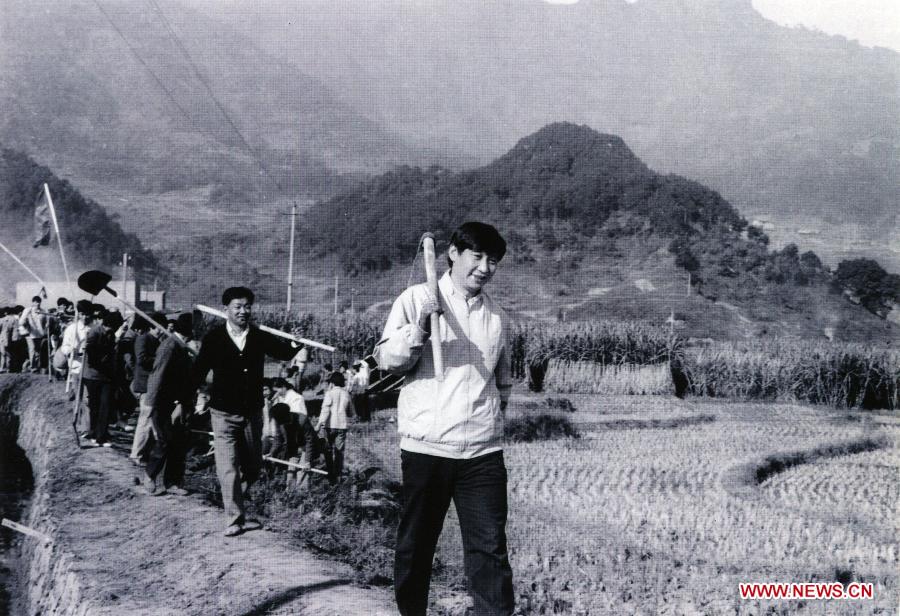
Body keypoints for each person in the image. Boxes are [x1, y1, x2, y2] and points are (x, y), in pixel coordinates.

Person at [374, 222, 514, 616]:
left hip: (483, 454)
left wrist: (489, 422)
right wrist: (420, 325)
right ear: (453, 253)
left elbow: (503, 385)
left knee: (490, 550)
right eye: (478, 257)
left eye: (493, 260)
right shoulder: (418, 297)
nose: (485, 268)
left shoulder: (497, 317)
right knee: (417, 544)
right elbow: (387, 360)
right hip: (427, 448)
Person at [192, 286, 299, 537]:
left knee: (253, 466)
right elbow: (197, 370)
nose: (243, 311)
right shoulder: (214, 338)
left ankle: (235, 496)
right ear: (226, 310)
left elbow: (284, 352)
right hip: (222, 413)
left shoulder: (259, 337)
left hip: (251, 412)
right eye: (238, 307)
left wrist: (296, 342)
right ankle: (234, 517)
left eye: (247, 306)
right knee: (227, 466)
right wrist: (187, 399)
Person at [143, 313, 195, 496]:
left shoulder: (183, 347)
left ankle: (172, 482)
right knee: (164, 440)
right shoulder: (170, 346)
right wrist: (150, 404)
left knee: (179, 442)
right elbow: (157, 375)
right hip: (163, 402)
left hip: (179, 403)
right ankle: (149, 475)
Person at [129, 313, 166, 463]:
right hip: (145, 385)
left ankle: (143, 453)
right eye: (159, 328)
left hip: (152, 384)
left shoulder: (156, 340)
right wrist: (161, 361)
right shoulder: (143, 338)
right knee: (145, 420)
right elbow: (142, 359)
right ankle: (136, 454)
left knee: (149, 421)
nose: (161, 331)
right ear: (152, 326)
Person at [82, 310, 119, 447]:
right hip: (93, 375)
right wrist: (104, 362)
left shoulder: (111, 334)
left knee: (105, 405)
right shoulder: (94, 332)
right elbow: (91, 356)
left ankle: (101, 436)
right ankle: (94, 432)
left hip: (106, 377)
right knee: (95, 406)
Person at [316, 371, 353, 484]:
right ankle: (338, 476)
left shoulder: (329, 393)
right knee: (339, 452)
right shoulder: (346, 394)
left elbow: (325, 410)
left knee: (328, 450)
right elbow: (351, 412)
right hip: (342, 425)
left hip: (330, 425)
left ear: (332, 382)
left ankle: (330, 474)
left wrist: (319, 424)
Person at [272, 377, 316, 468]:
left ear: (284, 387)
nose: (276, 394)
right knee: (290, 475)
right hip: (293, 444)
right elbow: (278, 437)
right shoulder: (279, 418)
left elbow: (309, 440)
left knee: (302, 474)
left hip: (304, 443)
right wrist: (271, 452)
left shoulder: (297, 402)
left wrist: (307, 461)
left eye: (277, 390)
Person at [18, 295, 47, 373]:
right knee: (32, 349)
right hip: (30, 334)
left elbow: (45, 322)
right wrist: (25, 322)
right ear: (33, 302)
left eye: (39, 302)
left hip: (39, 334)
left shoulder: (43, 311)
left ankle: (37, 366)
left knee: (38, 351)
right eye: (36, 302)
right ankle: (32, 367)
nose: (37, 304)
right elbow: (21, 322)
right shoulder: (28, 310)